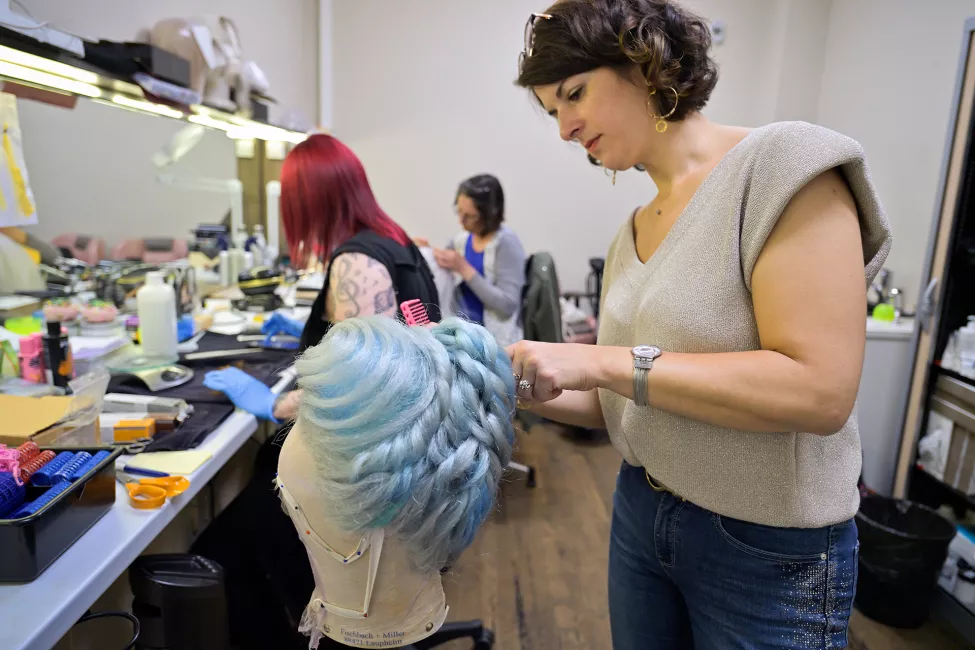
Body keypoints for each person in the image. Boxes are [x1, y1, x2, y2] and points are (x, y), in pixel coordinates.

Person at [509, 2, 891, 649]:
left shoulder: (780, 165)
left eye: (574, 94)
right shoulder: (630, 232)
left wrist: (602, 361)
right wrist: (507, 384)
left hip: (762, 548)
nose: (565, 129)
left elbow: (818, 391)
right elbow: (619, 402)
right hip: (639, 510)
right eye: (551, 112)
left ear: (643, 60)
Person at [203, 133, 440, 423]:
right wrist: (317, 333)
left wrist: (274, 404)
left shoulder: (357, 264)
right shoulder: (393, 236)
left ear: (307, 203)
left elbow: (356, 385)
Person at [432, 174, 526, 347]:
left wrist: (465, 269)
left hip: (496, 343)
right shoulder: (461, 240)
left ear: (489, 215)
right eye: (458, 211)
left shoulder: (506, 243)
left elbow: (507, 305)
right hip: (464, 339)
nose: (461, 221)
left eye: (470, 216)